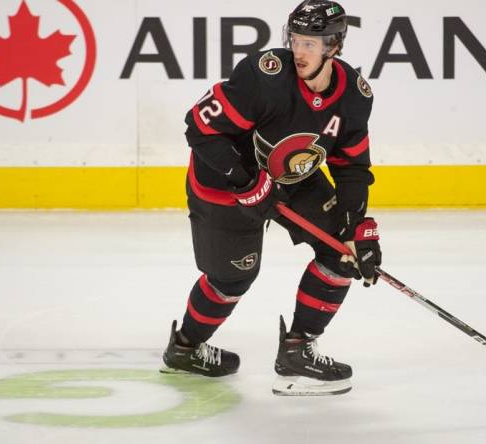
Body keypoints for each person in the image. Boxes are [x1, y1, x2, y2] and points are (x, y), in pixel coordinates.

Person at [160, 0, 382, 396]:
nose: (299, 51)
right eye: (295, 39)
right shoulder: (266, 77)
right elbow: (199, 129)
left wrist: (357, 225)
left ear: (334, 46)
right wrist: (245, 182)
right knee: (233, 277)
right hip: (225, 182)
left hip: (292, 178)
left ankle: (297, 351)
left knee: (341, 254)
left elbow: (351, 167)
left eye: (311, 44)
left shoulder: (354, 97)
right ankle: (185, 349)